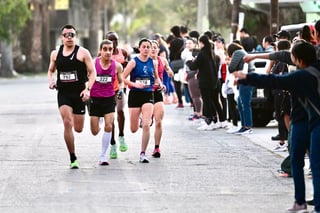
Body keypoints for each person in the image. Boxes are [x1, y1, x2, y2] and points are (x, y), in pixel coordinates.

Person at [235, 40, 320, 213]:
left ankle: (301, 203)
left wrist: (246, 78)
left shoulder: (300, 77)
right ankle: (318, 203)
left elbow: (273, 81)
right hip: (314, 123)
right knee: (317, 164)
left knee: (297, 161)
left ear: (298, 59)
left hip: (301, 122)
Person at [47, 24, 96, 169]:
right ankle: (73, 157)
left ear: (76, 37)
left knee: (79, 128)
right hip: (64, 93)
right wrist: (51, 81)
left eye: (72, 35)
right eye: (66, 35)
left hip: (79, 94)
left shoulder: (83, 53)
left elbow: (93, 73)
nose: (69, 37)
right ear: (61, 37)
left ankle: (84, 111)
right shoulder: (55, 54)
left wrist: (88, 89)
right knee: (67, 122)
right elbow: (50, 71)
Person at [122, 38, 162, 163]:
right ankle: (139, 119)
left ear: (151, 49)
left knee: (146, 124)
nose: (146, 49)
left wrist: (160, 84)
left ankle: (143, 153)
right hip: (135, 95)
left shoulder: (153, 62)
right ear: (139, 48)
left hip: (148, 94)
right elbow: (122, 78)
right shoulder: (134, 62)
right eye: (143, 47)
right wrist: (134, 84)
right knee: (133, 129)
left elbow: (156, 77)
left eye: (148, 47)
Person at [89, 39, 124, 166]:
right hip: (94, 98)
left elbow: (121, 81)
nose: (108, 52)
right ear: (100, 50)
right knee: (94, 131)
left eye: (110, 49)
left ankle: (103, 156)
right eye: (105, 49)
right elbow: (86, 78)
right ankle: (99, 120)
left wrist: (121, 89)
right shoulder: (93, 64)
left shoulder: (117, 66)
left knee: (109, 126)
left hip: (109, 98)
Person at [186, 35, 220, 130]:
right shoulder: (211, 53)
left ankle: (208, 121)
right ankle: (214, 120)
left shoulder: (202, 54)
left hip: (205, 81)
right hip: (213, 81)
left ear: (202, 43)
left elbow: (193, 66)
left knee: (206, 101)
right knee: (212, 101)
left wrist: (189, 61)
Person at [104, 31, 129, 159]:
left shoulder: (123, 53)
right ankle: (113, 144)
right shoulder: (102, 54)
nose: (114, 42)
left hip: (120, 87)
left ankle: (121, 135)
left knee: (120, 111)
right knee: (110, 116)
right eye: (111, 40)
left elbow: (129, 67)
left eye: (115, 40)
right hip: (107, 89)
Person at [150, 40, 174, 158]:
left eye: (155, 47)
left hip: (158, 92)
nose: (153, 49)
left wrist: (170, 72)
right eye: (151, 47)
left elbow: (169, 70)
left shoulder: (162, 60)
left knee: (158, 122)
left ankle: (157, 148)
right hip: (145, 93)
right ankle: (144, 117)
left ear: (158, 49)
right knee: (146, 122)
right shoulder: (143, 61)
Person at [227, 42, 255, 134]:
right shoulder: (242, 51)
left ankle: (247, 127)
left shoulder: (237, 53)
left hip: (246, 79)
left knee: (244, 103)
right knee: (240, 102)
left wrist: (230, 62)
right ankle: (244, 126)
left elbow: (231, 68)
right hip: (246, 78)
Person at [169, 25, 185, 108]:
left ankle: (180, 102)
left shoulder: (173, 42)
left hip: (175, 64)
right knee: (186, 83)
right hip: (184, 63)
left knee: (177, 83)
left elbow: (171, 55)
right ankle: (192, 102)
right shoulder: (184, 41)